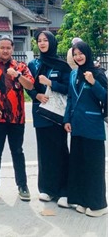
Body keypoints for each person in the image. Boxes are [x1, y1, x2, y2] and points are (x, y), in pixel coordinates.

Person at [0, 36, 34, 202]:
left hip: (17, 118)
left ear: (12, 49)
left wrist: (17, 75)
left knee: (17, 152)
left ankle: (23, 185)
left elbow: (30, 85)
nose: (5, 50)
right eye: (2, 47)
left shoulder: (21, 67)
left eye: (8, 48)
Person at [26, 29, 71, 206]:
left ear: (52, 43)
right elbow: (28, 85)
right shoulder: (33, 64)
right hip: (41, 113)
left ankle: (63, 190)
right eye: (39, 41)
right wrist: (35, 95)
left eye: (45, 40)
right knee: (44, 152)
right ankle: (47, 189)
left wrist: (51, 83)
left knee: (60, 150)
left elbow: (68, 88)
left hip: (58, 114)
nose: (42, 43)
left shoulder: (62, 65)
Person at [63, 40, 108, 217]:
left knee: (94, 167)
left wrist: (93, 82)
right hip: (77, 126)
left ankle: (98, 205)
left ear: (87, 54)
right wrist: (67, 119)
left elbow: (106, 97)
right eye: (75, 54)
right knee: (79, 164)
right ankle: (82, 200)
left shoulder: (97, 73)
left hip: (93, 127)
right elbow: (70, 99)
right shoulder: (74, 74)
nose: (78, 57)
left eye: (81, 53)